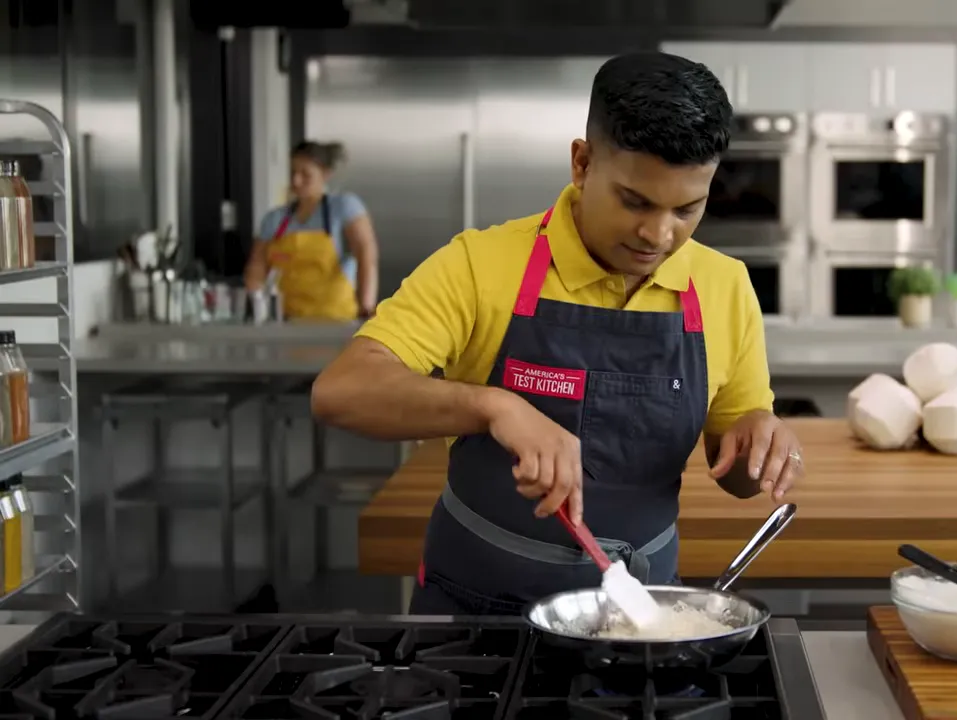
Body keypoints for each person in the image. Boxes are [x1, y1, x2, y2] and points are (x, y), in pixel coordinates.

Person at [311, 52, 805, 615]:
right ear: (582, 162)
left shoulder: (724, 286)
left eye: (688, 208)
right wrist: (494, 407)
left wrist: (760, 440)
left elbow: (737, 478)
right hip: (477, 615)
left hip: (639, 618)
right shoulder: (480, 264)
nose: (658, 234)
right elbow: (341, 392)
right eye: (634, 201)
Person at [244, 141, 379, 321]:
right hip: (287, 324)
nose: (296, 181)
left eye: (305, 174)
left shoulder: (343, 207)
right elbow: (256, 269)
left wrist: (366, 306)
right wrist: (255, 308)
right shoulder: (274, 219)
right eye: (292, 173)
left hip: (337, 324)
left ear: (325, 174)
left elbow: (366, 255)